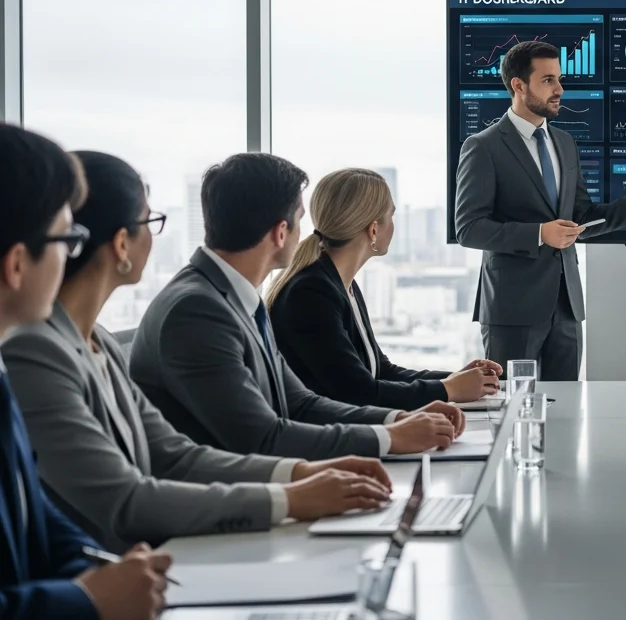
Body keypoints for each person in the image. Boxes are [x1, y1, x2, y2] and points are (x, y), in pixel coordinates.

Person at [2, 152, 394, 553]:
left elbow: (173, 456)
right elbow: (125, 499)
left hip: (145, 556)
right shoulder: (40, 351)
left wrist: (302, 473)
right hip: (144, 559)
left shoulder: (97, 340)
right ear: (122, 243)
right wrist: (292, 496)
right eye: (149, 223)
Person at [130, 153, 465, 461]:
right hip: (224, 499)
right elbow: (261, 438)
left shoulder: (232, 299)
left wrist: (397, 419)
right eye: (300, 219)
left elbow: (300, 403)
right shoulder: (198, 312)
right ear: (281, 232)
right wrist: (387, 438)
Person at [0, 125, 169, 620]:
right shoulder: (32, 353)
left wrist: (103, 568)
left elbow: (36, 515)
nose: (71, 255)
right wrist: (89, 600)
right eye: (67, 239)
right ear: (16, 264)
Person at [454, 40, 626, 381]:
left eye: (559, 79)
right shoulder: (483, 147)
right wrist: (540, 234)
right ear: (518, 85)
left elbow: (581, 218)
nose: (559, 89)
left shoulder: (564, 143)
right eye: (548, 81)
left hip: (567, 308)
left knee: (566, 413)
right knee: (510, 410)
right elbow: (469, 228)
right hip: (513, 309)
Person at [267, 168, 502, 411]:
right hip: (328, 438)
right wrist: (449, 389)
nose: (393, 225)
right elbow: (360, 392)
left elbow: (381, 370)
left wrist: (454, 379)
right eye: (391, 216)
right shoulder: (311, 293)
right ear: (374, 230)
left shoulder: (341, 283)